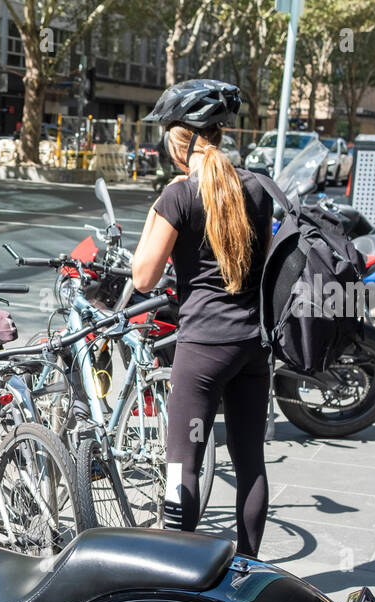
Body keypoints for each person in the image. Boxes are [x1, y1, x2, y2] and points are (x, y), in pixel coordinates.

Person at [130, 79, 274, 558]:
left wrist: (159, 206)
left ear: (180, 139)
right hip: (252, 347)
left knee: (183, 464)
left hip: (203, 350)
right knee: (250, 461)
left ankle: (180, 574)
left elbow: (144, 277)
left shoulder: (178, 197)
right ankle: (250, 570)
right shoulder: (256, 189)